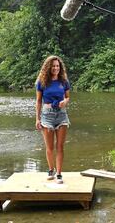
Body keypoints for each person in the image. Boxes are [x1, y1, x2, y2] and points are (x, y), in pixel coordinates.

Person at [35, 55, 70, 184]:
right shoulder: (42, 82)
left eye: (57, 66)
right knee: (49, 147)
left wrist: (65, 102)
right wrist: (37, 119)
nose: (56, 68)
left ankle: (59, 173)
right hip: (47, 115)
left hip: (61, 115)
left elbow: (67, 97)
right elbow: (38, 101)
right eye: (53, 66)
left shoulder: (64, 81)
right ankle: (51, 170)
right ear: (48, 67)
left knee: (60, 146)